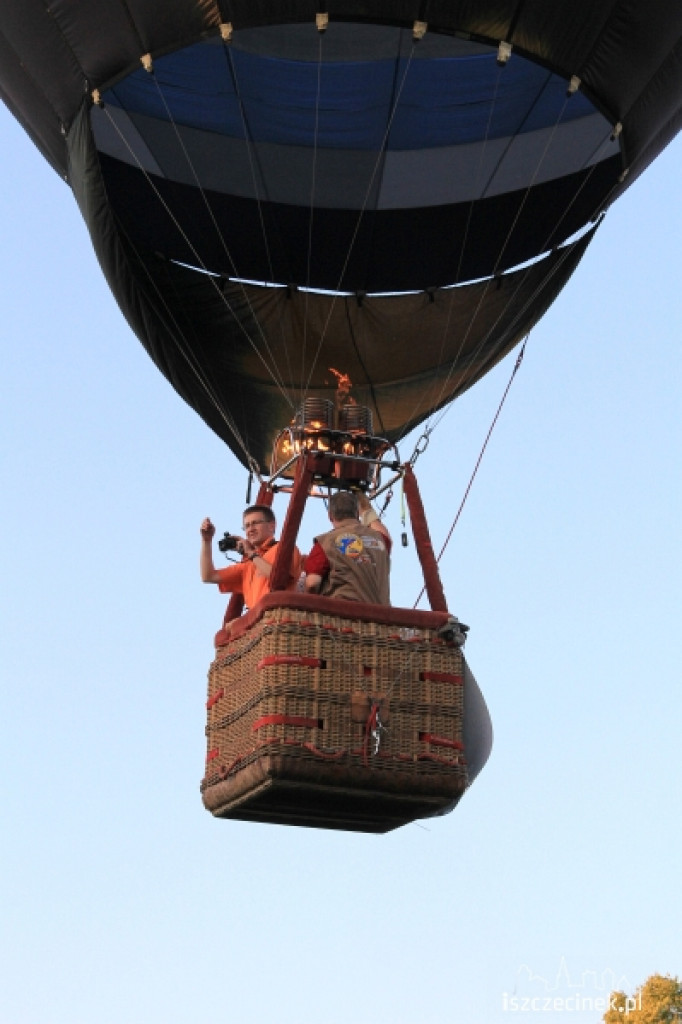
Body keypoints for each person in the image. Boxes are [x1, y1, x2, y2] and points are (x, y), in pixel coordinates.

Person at [200, 505, 302, 619]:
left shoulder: (284, 549)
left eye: (255, 523)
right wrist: (206, 541)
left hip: (278, 618)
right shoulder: (248, 564)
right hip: (257, 626)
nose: (250, 529)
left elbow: (279, 579)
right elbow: (208, 576)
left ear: (272, 526)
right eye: (247, 526)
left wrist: (251, 553)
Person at [304, 491, 391, 605]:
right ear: (356, 513)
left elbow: (312, 583)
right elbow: (382, 531)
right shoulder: (380, 539)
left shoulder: (325, 543)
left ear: (330, 516)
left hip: (344, 616)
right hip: (381, 618)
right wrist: (365, 507)